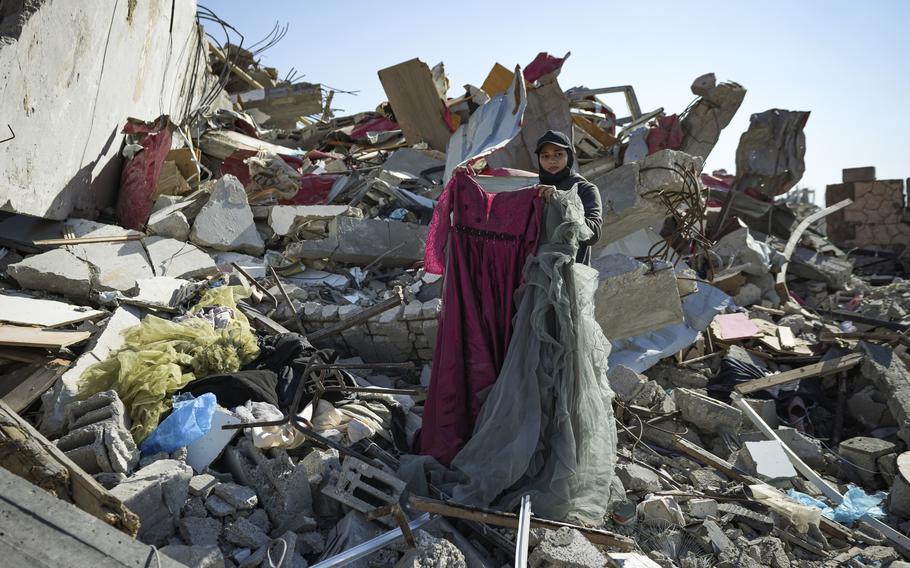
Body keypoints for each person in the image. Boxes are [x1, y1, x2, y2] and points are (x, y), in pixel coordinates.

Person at [533, 130, 603, 265]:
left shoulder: (585, 189)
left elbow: (593, 235)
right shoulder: (536, 190)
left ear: (569, 156)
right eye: (545, 156)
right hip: (537, 274)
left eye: (558, 154)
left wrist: (562, 201)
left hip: (570, 274)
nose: (552, 160)